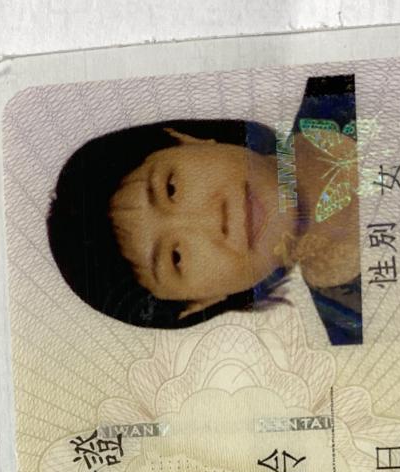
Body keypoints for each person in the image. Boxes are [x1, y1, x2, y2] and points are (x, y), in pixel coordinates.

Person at [46, 75, 362, 345]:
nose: (216, 219)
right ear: (202, 303)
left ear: (189, 139)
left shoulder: (343, 81)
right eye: (176, 257)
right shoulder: (354, 329)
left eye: (171, 188)